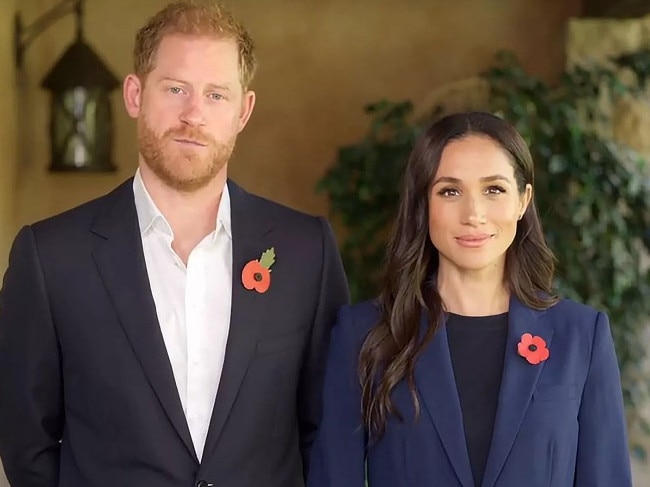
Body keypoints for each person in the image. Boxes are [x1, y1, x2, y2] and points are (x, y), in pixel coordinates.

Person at [0, 2, 349, 486]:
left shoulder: (306, 251)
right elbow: (25, 442)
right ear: (135, 94)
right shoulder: (50, 258)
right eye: (176, 89)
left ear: (243, 111)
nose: (194, 115)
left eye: (216, 95)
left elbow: (328, 431)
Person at [307, 112, 632, 487]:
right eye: (450, 191)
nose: (474, 214)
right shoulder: (364, 334)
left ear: (523, 200)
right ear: (423, 203)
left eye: (493, 189)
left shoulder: (581, 336)